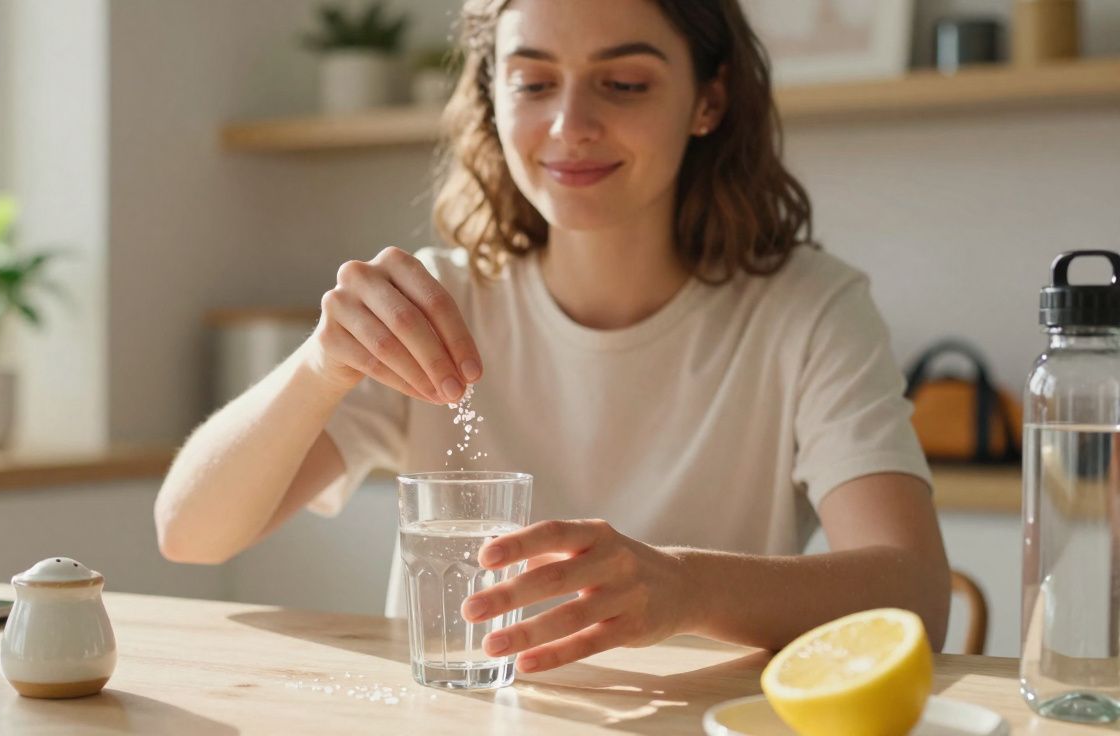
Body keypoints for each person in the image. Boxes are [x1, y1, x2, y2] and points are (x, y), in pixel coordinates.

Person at [155, 0, 951, 675]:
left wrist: (686, 588)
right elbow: (190, 534)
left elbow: (914, 592)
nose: (571, 125)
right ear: (492, 97)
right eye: (533, 82)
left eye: (625, 84)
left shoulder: (805, 311)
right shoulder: (438, 303)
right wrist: (319, 366)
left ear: (709, 100)